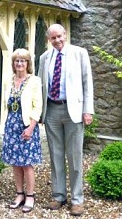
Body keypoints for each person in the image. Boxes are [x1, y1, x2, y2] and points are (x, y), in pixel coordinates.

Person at [38, 23, 94, 217]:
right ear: (49, 39)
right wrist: (39, 113)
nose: (57, 40)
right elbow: (40, 86)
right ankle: (59, 195)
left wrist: (88, 110)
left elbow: (88, 83)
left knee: (75, 156)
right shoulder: (44, 58)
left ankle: (77, 199)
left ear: (65, 35)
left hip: (74, 111)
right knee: (55, 155)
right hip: (52, 110)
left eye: (60, 36)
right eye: (53, 38)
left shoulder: (79, 53)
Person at [1, 48, 43, 213]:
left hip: (27, 125)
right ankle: (19, 194)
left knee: (26, 163)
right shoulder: (9, 81)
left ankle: (30, 195)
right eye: (17, 61)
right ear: (13, 64)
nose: (19, 63)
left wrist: (31, 128)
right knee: (15, 163)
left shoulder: (34, 81)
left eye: (23, 61)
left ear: (28, 63)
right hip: (11, 125)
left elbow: (37, 105)